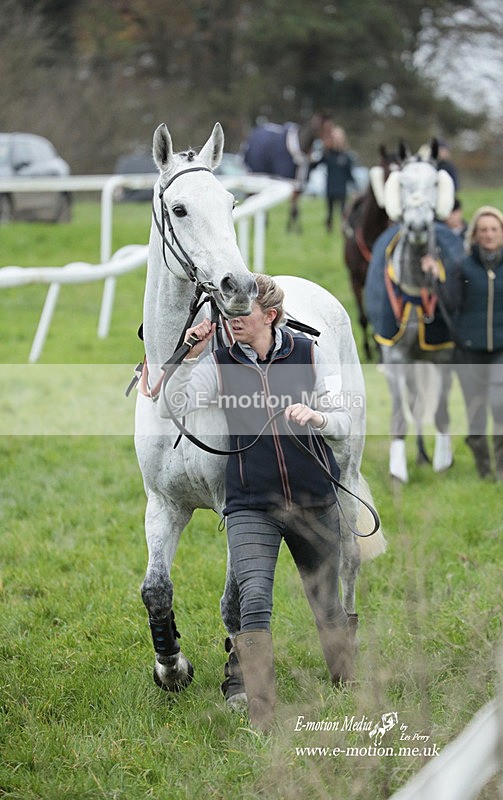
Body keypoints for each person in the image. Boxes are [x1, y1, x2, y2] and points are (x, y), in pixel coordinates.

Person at [161, 274, 357, 731]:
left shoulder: (311, 352)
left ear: (269, 315)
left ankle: (346, 683)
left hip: (314, 499)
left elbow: (345, 417)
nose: (231, 323)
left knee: (326, 602)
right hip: (251, 504)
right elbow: (178, 403)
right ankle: (261, 714)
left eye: (241, 315)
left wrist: (318, 416)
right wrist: (189, 358)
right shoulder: (220, 360)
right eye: (227, 315)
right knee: (253, 599)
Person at [450, 206, 503, 484]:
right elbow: (449, 306)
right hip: (468, 349)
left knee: (500, 404)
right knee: (475, 412)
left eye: (494, 229)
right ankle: (484, 470)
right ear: (475, 234)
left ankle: (502, 469)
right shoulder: (462, 267)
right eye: (483, 230)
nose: (488, 234)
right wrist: (432, 278)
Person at [312, 125, 355, 232]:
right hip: (330, 187)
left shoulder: (346, 156)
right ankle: (329, 228)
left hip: (342, 188)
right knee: (329, 211)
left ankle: (343, 228)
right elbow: (315, 164)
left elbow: (349, 174)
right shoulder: (327, 154)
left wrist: (355, 187)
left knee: (343, 211)